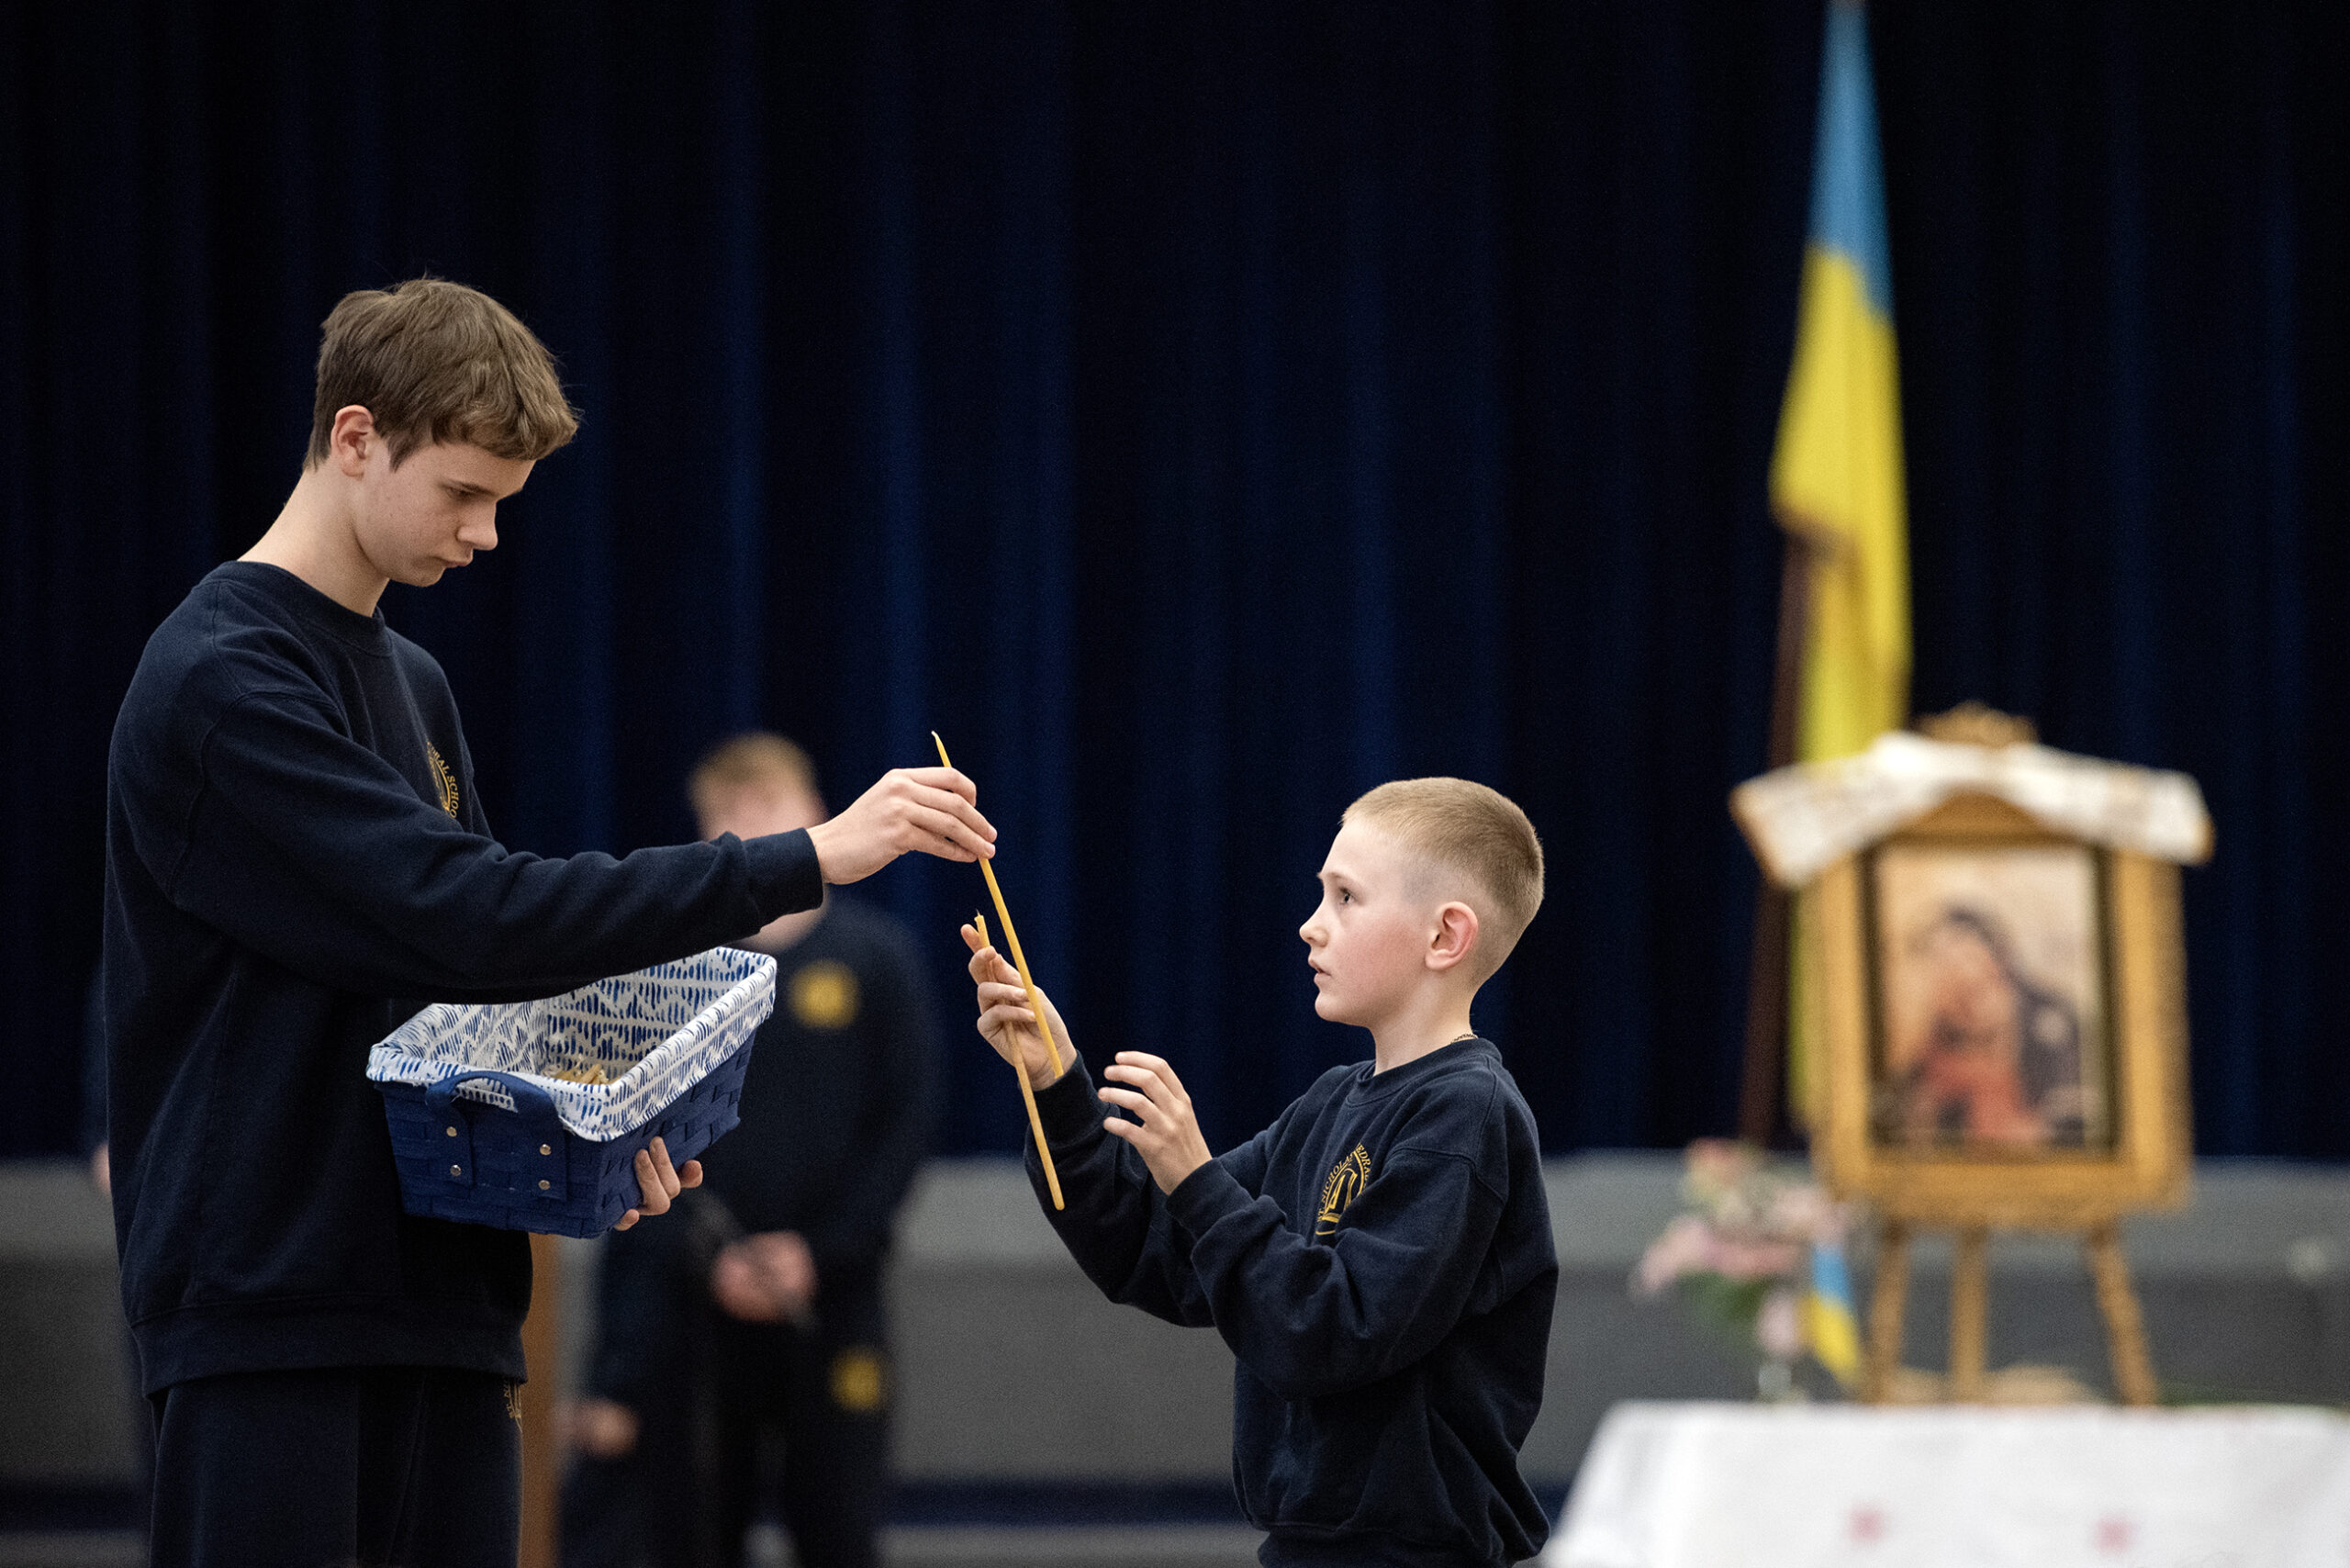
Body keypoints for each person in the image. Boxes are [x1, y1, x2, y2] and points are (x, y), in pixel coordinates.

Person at [102, 277, 997, 1567]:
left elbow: (469, 999)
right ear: (355, 439)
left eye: (504, 504)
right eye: (464, 493)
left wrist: (595, 1123)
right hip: (271, 1316)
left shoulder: (412, 679)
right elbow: (465, 914)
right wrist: (797, 858)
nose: (487, 536)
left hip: (450, 1311)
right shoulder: (222, 678)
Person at [961, 778, 1558, 1567]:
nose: (1312, 926)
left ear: (1445, 937)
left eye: (1346, 898)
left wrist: (1197, 1177)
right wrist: (1057, 1085)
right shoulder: (1330, 1104)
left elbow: (1337, 1331)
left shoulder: (1465, 1117)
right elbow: (1152, 1250)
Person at [565, 734, 937, 1568]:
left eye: (764, 808)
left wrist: (818, 1252)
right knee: (692, 1532)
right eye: (724, 819)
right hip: (695, 1312)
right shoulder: (668, 974)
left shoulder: (878, 961)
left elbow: (904, 1129)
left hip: (831, 1302)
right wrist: (707, 1264)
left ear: (814, 815)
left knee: (839, 1529)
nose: (747, 833)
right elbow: (630, 1134)